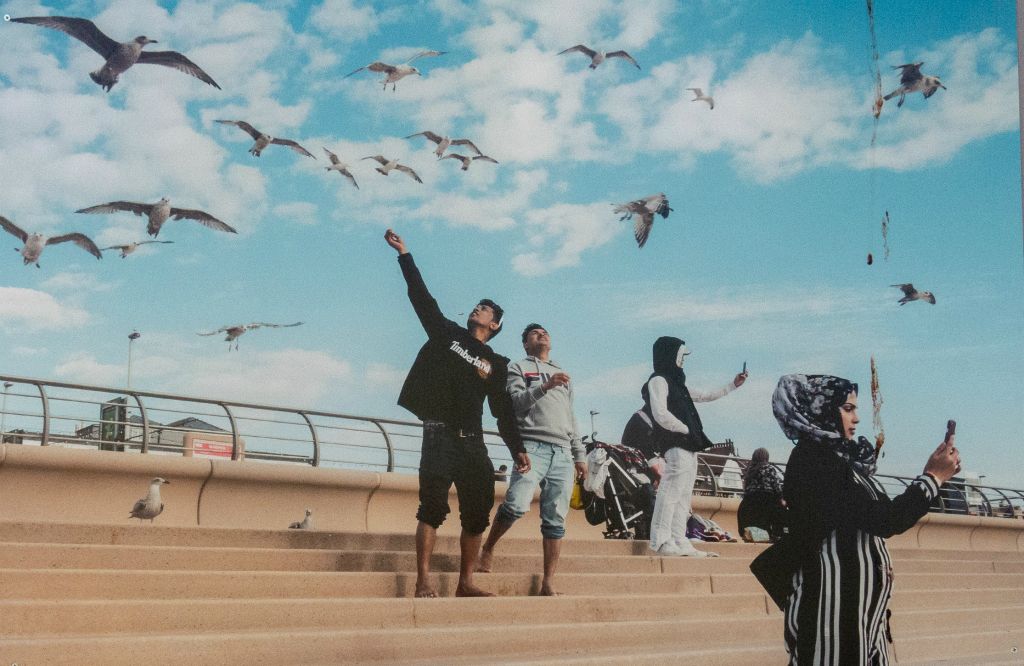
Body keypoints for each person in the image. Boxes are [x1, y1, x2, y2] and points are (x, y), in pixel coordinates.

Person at [772, 374, 959, 665]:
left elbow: (882, 514)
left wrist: (932, 474)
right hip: (833, 613)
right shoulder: (814, 459)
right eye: (847, 409)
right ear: (820, 409)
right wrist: (933, 478)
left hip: (857, 615)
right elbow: (885, 520)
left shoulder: (839, 462)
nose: (856, 418)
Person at [384, 228, 529, 598]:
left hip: (474, 443)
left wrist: (517, 449)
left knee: (477, 514)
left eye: (486, 309)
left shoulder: (496, 363)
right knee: (431, 508)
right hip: (439, 434)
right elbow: (421, 298)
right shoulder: (446, 333)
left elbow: (502, 410)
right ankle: (423, 580)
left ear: (494, 325)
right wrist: (405, 254)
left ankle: (466, 582)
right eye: (477, 306)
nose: (477, 309)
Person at [477, 323, 588, 596]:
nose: (542, 334)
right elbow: (514, 404)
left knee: (556, 519)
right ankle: (488, 547)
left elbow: (570, 417)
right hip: (531, 446)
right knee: (515, 504)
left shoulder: (563, 374)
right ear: (526, 344)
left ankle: (548, 582)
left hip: (562, 451)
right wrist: (545, 386)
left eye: (545, 332)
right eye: (534, 333)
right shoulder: (518, 367)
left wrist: (579, 455)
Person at [643, 336, 747, 557]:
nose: (683, 360)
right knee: (670, 491)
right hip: (676, 444)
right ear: (671, 355)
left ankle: (680, 540)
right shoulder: (658, 380)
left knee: (683, 494)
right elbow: (660, 412)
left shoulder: (678, 384)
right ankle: (661, 541)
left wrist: (732, 385)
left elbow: (705, 395)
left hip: (689, 447)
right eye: (681, 355)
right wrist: (684, 429)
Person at [737, 447, 786, 542]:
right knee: (781, 511)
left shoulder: (749, 470)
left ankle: (753, 536)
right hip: (767, 500)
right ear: (766, 458)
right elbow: (776, 486)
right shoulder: (769, 468)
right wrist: (781, 499)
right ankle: (776, 535)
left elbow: (746, 489)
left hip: (749, 501)